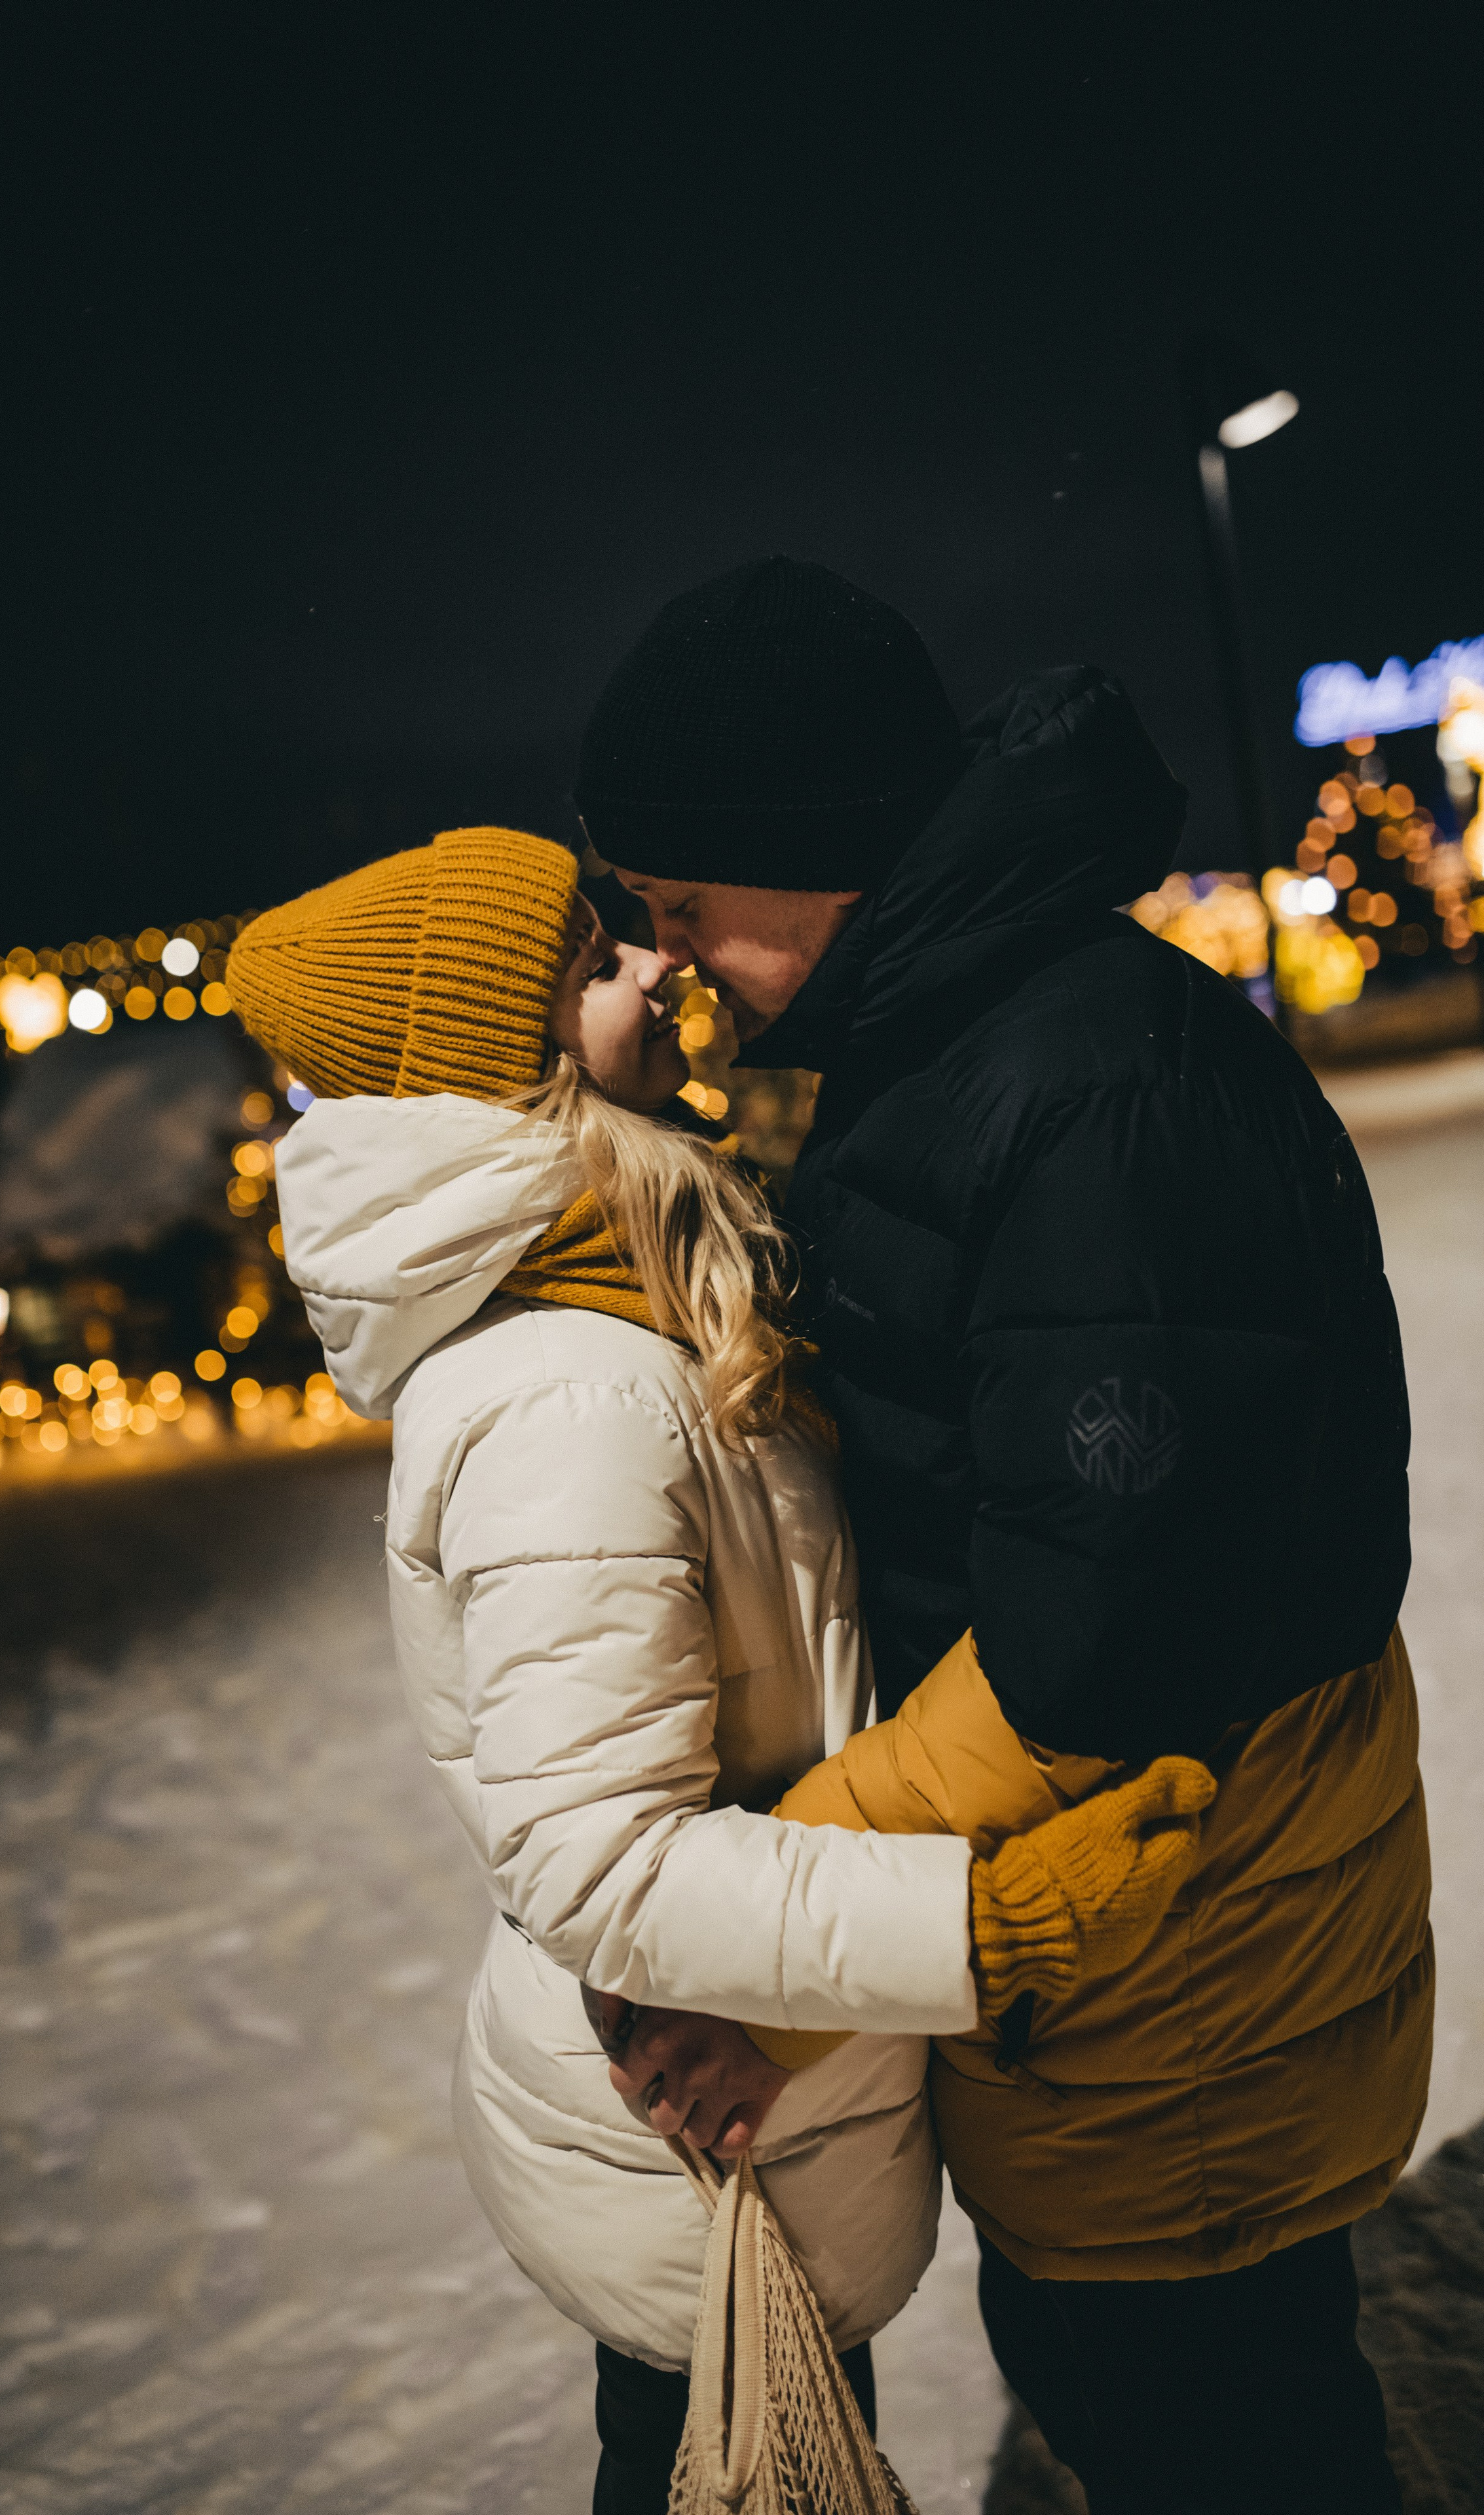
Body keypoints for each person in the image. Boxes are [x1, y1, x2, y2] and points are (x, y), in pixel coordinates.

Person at [576, 557, 1429, 2515]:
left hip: (1187, 1948)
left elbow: (1089, 1649)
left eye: (681, 898)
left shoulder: (1085, 1093)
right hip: (1121, 1945)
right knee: (1145, 2386)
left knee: (1214, 2424)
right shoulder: (964, 1044)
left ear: (805, 850)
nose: (669, 946)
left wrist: (761, 1951)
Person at [226, 825, 1210, 2514]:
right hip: (705, 2130)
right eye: (595, 966)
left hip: (744, 2096)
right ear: (508, 1067)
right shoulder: (572, 1396)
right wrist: (982, 1935)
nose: (656, 968)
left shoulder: (633, 1306)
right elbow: (594, 1859)